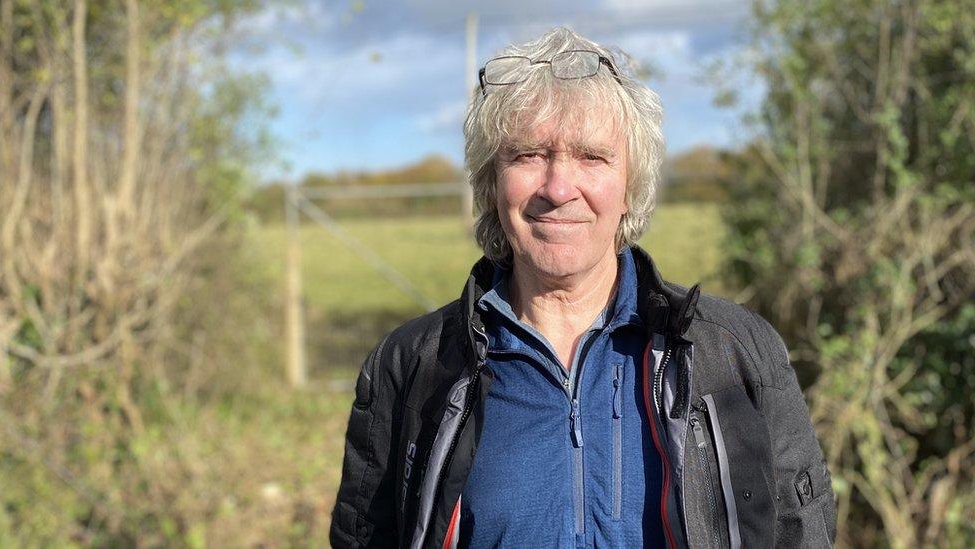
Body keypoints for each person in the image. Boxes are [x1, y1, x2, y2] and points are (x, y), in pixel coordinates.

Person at [331, 27, 836, 549]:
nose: (557, 188)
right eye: (527, 155)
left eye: (592, 157)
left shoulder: (732, 352)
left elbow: (802, 534)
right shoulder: (412, 366)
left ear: (630, 186)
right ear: (491, 181)